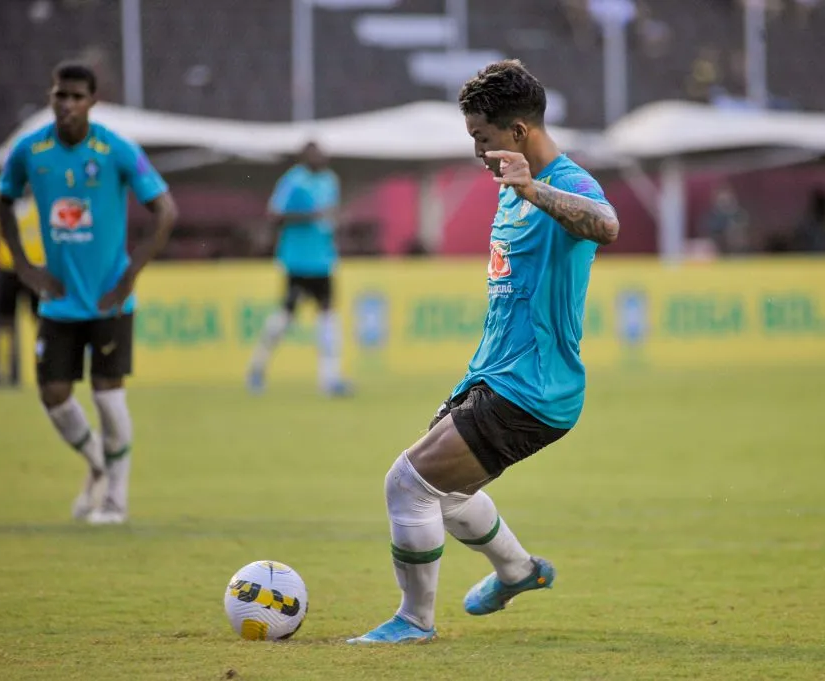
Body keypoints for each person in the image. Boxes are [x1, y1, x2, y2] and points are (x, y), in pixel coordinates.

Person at [348, 59, 619, 644]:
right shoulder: (508, 186)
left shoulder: (567, 182)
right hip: (492, 376)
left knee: (408, 483)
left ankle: (414, 621)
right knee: (444, 492)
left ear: (518, 132)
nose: (477, 151)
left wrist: (534, 188)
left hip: (534, 387)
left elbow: (606, 225)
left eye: (483, 138)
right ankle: (518, 571)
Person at [0, 62, 178, 524]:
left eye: (77, 96)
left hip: (109, 300)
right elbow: (2, 200)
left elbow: (165, 211)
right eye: (61, 95)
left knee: (107, 397)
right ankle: (98, 462)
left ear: (93, 101)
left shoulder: (115, 150)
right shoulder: (29, 151)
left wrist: (128, 278)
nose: (68, 104)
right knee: (54, 395)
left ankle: (115, 499)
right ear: (50, 97)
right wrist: (24, 265)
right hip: (58, 298)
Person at [246, 141, 350, 397]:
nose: (320, 157)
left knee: (328, 317)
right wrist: (309, 216)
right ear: (304, 156)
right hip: (298, 260)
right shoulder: (293, 181)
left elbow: (331, 215)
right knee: (285, 317)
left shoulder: (329, 180)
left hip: (323, 260)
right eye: (315, 154)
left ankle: (330, 379)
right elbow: (275, 215)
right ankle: (257, 367)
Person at [0, 182, 43, 385]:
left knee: (40, 324)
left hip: (36, 270)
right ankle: (2, 373)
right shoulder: (1, 202)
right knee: (4, 322)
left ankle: (41, 368)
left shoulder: (42, 202)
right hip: (7, 268)